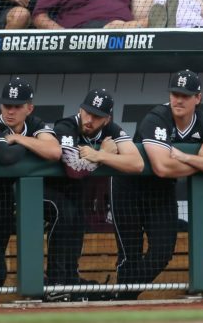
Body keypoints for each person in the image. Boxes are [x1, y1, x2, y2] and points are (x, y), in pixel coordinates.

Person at [112, 70, 203, 299]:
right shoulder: (156, 118)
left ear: (198, 98)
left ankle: (121, 296)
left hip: (161, 192)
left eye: (185, 95)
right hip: (129, 189)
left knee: (163, 250)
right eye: (175, 93)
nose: (178, 99)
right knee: (130, 254)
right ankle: (121, 301)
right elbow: (162, 167)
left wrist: (188, 158)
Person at [0, 77, 64, 296]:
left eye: (17, 106)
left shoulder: (36, 124)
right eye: (6, 105)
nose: (10, 111)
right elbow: (6, 156)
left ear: (29, 108)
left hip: (3, 206)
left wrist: (20, 139)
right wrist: (32, 143)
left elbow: (55, 151)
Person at [49, 87, 143, 298]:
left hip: (74, 195)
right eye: (87, 112)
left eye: (97, 116)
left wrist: (101, 157)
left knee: (76, 226)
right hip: (46, 191)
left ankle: (68, 284)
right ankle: (55, 284)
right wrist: (101, 154)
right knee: (65, 216)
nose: (89, 119)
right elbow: (73, 169)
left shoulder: (112, 130)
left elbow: (137, 164)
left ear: (107, 119)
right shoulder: (66, 125)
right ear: (81, 109)